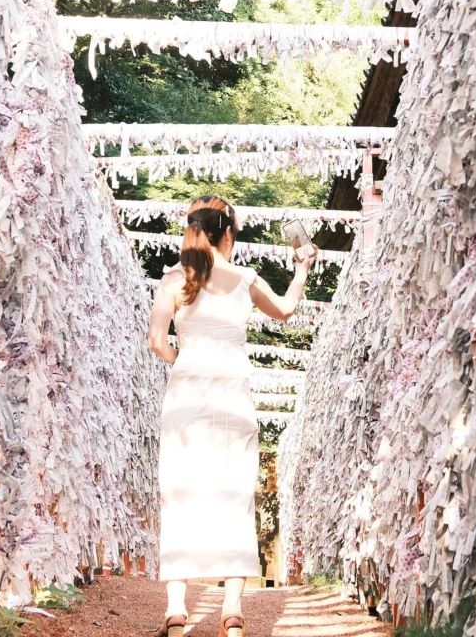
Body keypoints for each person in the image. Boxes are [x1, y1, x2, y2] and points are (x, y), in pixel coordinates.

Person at [146, 195, 315, 637]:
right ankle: (232, 608)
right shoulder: (245, 279)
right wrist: (301, 269)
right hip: (233, 400)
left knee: (180, 492)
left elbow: (156, 342)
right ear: (227, 234)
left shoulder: (171, 281)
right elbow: (286, 309)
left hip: (185, 398)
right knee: (235, 493)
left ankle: (177, 607)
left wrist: (184, 356)